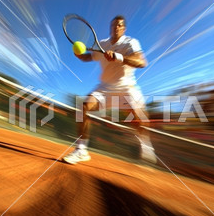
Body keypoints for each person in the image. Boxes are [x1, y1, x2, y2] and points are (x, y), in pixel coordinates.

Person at [63, 15, 156, 165]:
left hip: (127, 87)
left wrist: (119, 57)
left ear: (124, 28)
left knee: (140, 118)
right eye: (113, 25)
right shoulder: (102, 44)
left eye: (119, 25)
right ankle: (81, 151)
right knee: (84, 108)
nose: (116, 27)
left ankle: (145, 145)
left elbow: (141, 62)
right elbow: (88, 58)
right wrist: (79, 55)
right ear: (110, 28)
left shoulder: (131, 42)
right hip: (104, 88)